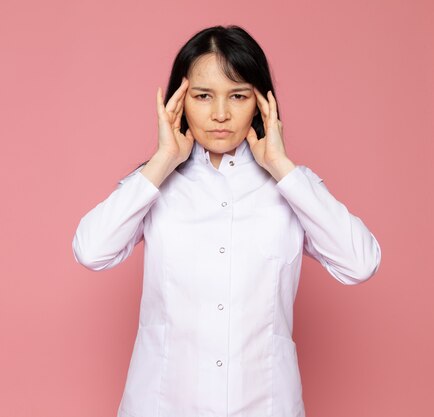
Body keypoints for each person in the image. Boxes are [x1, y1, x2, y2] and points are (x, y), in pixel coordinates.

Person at [72, 25, 381, 417]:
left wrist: (282, 168)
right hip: (162, 404)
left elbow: (360, 263)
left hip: (265, 405)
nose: (221, 114)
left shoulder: (291, 188)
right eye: (203, 96)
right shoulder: (154, 185)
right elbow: (91, 250)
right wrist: (162, 161)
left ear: (261, 103)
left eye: (238, 96)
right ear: (180, 101)